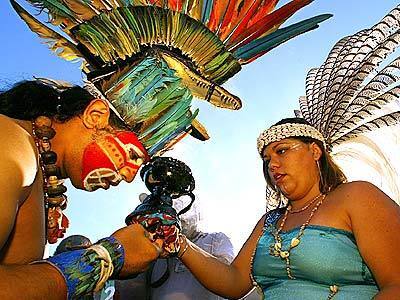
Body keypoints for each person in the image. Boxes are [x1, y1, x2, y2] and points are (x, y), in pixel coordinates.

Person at [169, 5, 400, 299]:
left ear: (315, 151)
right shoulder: (269, 222)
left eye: (281, 151)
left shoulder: (356, 197)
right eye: (266, 160)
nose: (272, 165)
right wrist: (178, 243)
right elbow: (234, 281)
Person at [0, 80, 164, 299]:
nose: (128, 175)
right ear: (95, 116)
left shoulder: (35, 169)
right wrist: (103, 260)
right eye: (133, 156)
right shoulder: (13, 143)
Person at [116, 194, 235, 300]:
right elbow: (132, 292)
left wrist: (178, 243)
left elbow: (231, 282)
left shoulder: (215, 239)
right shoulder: (157, 250)